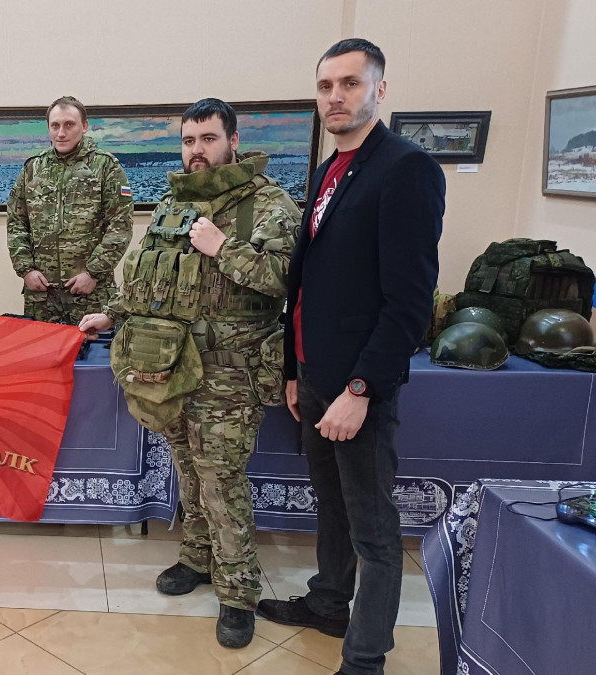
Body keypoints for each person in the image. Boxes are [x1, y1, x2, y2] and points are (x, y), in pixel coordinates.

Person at [79, 99, 300, 648]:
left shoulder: (269, 203)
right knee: (188, 469)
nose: (196, 150)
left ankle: (238, 594)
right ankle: (198, 557)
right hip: (172, 367)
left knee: (222, 481)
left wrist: (224, 248)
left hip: (232, 372)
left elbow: (287, 280)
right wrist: (113, 313)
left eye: (207, 138)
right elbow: (150, 280)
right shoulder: (172, 204)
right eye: (188, 140)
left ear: (233, 140)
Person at [256, 39, 445, 675]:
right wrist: (294, 371)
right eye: (325, 86)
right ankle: (328, 603)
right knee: (330, 505)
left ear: (379, 90)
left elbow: (410, 303)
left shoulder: (407, 168)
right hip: (314, 376)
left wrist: (361, 389)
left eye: (350, 83)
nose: (335, 96)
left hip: (357, 387)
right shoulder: (330, 168)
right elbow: (307, 285)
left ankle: (365, 658)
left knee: (374, 529)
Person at [6, 96, 133, 323]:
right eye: (55, 125)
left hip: (90, 292)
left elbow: (120, 225)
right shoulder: (33, 168)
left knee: (91, 346)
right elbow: (17, 222)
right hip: (42, 294)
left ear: (84, 126)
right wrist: (26, 270)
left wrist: (94, 272)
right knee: (42, 346)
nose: (61, 133)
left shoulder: (105, 166)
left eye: (69, 125)